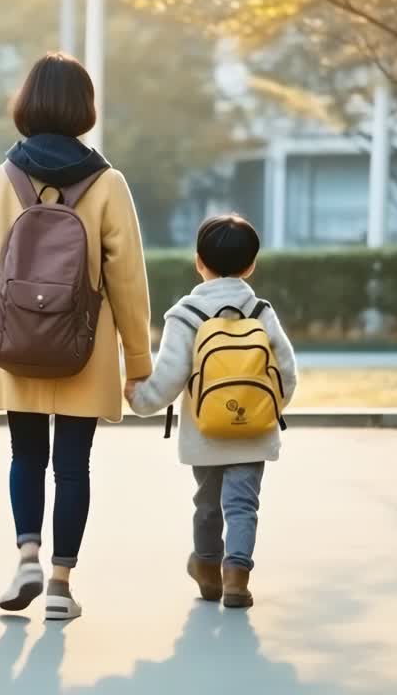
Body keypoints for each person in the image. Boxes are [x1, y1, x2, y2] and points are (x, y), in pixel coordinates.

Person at [0, 52, 151, 620]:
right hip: (85, 346)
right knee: (73, 465)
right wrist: (137, 358)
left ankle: (26, 555)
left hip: (15, 342)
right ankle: (61, 586)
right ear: (84, 109)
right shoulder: (108, 183)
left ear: (26, 105)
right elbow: (128, 279)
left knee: (24, 454)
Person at [126, 214, 297, 609]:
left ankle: (206, 568)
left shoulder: (185, 315)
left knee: (207, 503)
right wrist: (265, 410)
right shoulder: (261, 311)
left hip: (206, 433)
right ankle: (236, 578)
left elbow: (169, 376)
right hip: (254, 433)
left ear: (198, 260)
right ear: (251, 265)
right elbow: (286, 372)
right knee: (243, 505)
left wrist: (140, 399)